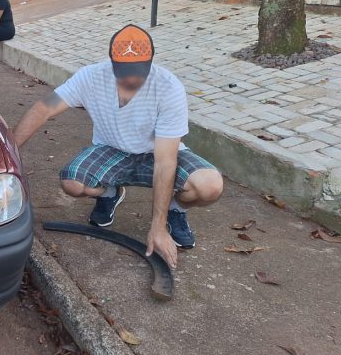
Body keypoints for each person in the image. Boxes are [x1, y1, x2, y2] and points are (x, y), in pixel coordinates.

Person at [12, 25, 223, 269]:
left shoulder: (168, 87)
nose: (131, 79)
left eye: (138, 71)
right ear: (111, 63)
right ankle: (110, 194)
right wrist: (10, 150)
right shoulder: (90, 76)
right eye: (124, 71)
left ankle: (175, 211)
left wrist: (156, 226)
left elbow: (166, 161)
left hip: (155, 153)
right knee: (71, 183)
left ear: (151, 62)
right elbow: (44, 108)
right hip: (111, 150)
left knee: (210, 186)